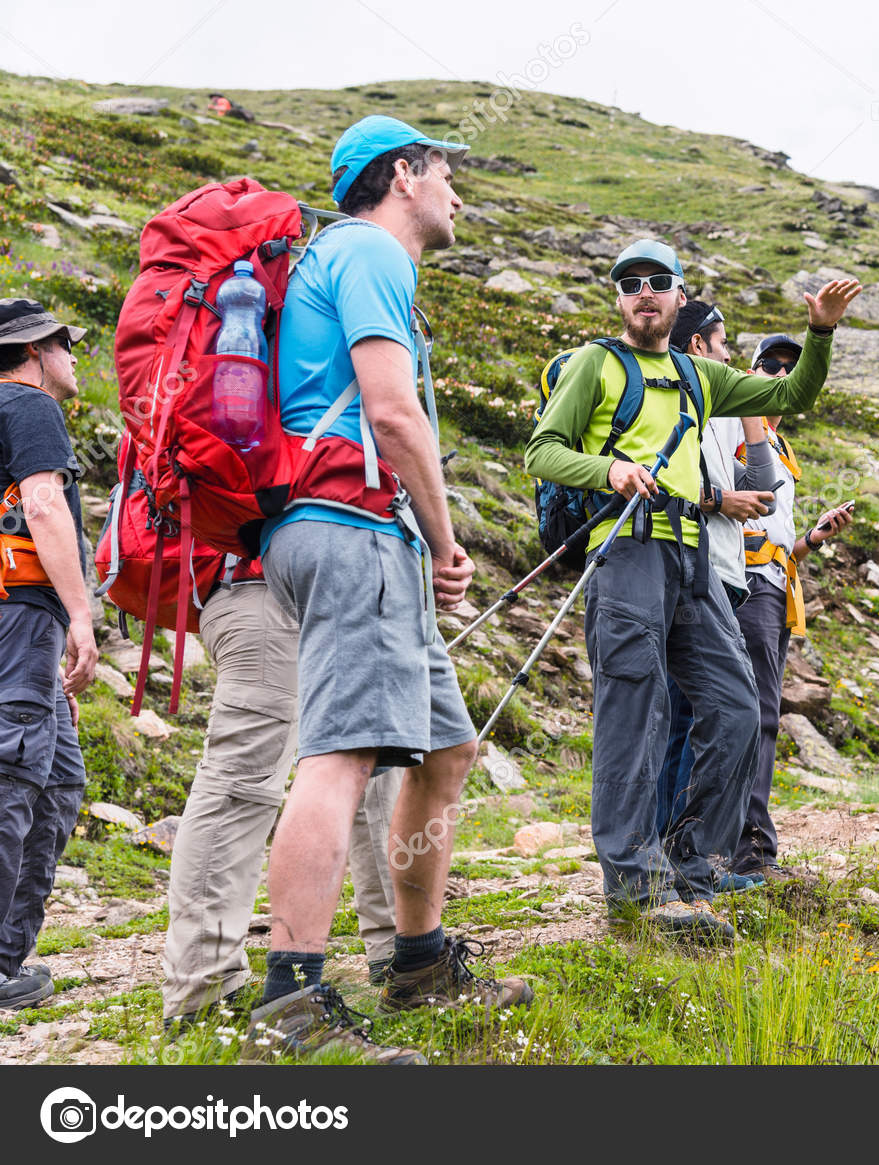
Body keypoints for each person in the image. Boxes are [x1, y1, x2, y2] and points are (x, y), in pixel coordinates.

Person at [246, 116, 528, 1064]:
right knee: (340, 757)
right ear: (403, 175)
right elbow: (392, 412)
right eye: (446, 173)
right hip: (352, 529)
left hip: (353, 534)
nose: (456, 193)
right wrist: (446, 541)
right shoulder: (369, 250)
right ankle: (291, 1005)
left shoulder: (342, 257)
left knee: (446, 748)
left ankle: (417, 961)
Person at [525, 239, 859, 940]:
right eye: (629, 283)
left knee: (738, 705)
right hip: (625, 549)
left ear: (679, 297)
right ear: (619, 300)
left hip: (692, 556)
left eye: (657, 281)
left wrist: (819, 332)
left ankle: (688, 867)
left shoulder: (698, 376)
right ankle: (634, 889)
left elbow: (793, 394)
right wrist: (608, 471)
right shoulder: (595, 364)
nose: (642, 291)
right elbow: (542, 449)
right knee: (633, 712)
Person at [160, 567, 404, 1028]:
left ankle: (398, 954)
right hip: (263, 592)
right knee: (240, 788)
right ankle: (201, 987)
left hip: (332, 601)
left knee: (368, 765)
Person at [652, 303, 774, 889]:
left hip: (723, 572)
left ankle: (687, 857)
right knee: (692, 718)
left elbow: (762, 489)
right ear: (698, 345)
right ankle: (681, 859)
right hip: (689, 568)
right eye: (724, 344)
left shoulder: (722, 407)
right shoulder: (678, 400)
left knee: (700, 716)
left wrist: (753, 412)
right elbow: (666, 480)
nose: (732, 356)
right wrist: (717, 500)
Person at [0, 300, 97, 1011]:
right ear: (35, 349)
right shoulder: (27, 406)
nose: (74, 357)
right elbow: (42, 506)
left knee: (58, 780)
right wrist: (81, 612)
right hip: (21, 620)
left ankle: (9, 959)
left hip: (20, 621)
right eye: (67, 344)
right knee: (12, 778)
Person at [729, 335, 854, 881]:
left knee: (765, 714)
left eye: (789, 368)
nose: (780, 375)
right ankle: (747, 849)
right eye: (768, 366)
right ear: (748, 371)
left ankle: (742, 842)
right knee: (754, 714)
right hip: (748, 584)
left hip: (778, 582)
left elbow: (777, 533)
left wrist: (813, 538)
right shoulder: (733, 425)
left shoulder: (779, 448)